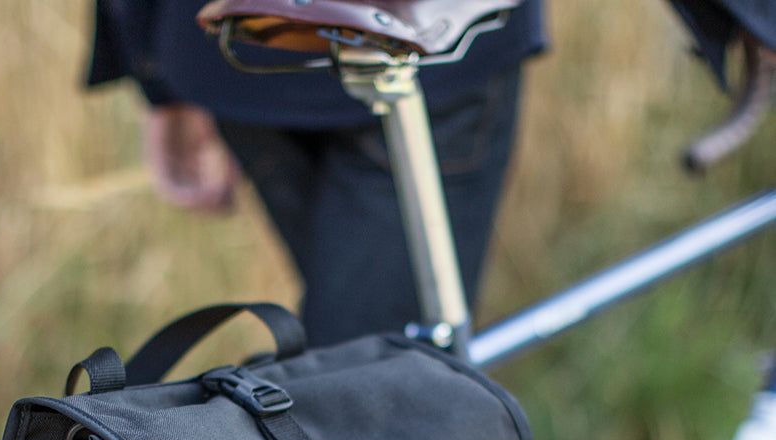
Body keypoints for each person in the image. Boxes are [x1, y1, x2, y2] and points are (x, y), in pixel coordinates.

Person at [86, 0, 547, 345]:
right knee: (376, 380)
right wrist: (156, 74)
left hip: (242, 51)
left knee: (364, 352)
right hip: (412, 54)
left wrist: (149, 60)